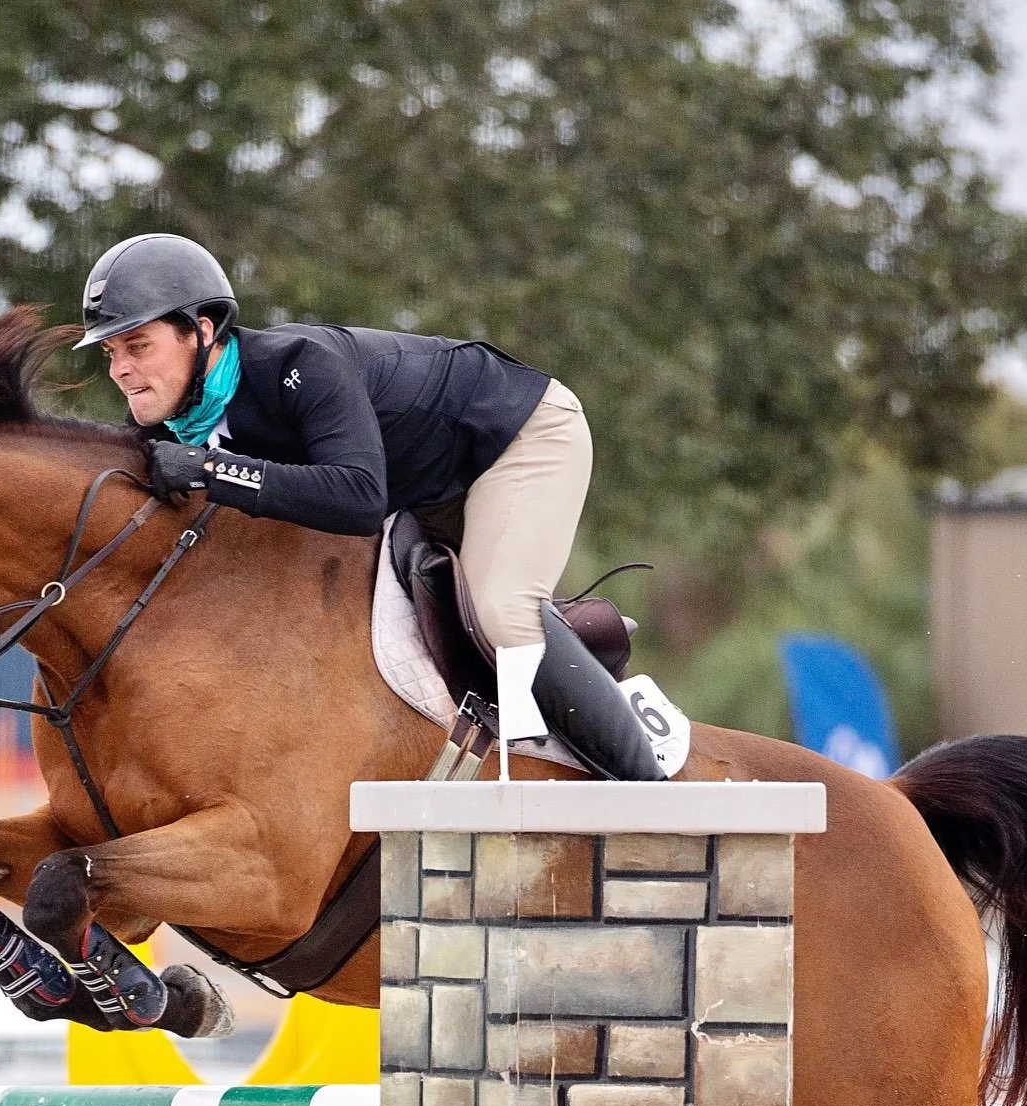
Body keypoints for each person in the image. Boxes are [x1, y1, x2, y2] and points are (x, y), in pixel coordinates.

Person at [76, 232, 664, 780]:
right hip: (428, 490)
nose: (120, 369)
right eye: (110, 353)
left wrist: (212, 471)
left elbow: (358, 499)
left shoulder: (298, 366)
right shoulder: (171, 425)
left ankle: (655, 795)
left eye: (137, 345)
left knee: (502, 609)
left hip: (516, 439)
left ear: (201, 331)